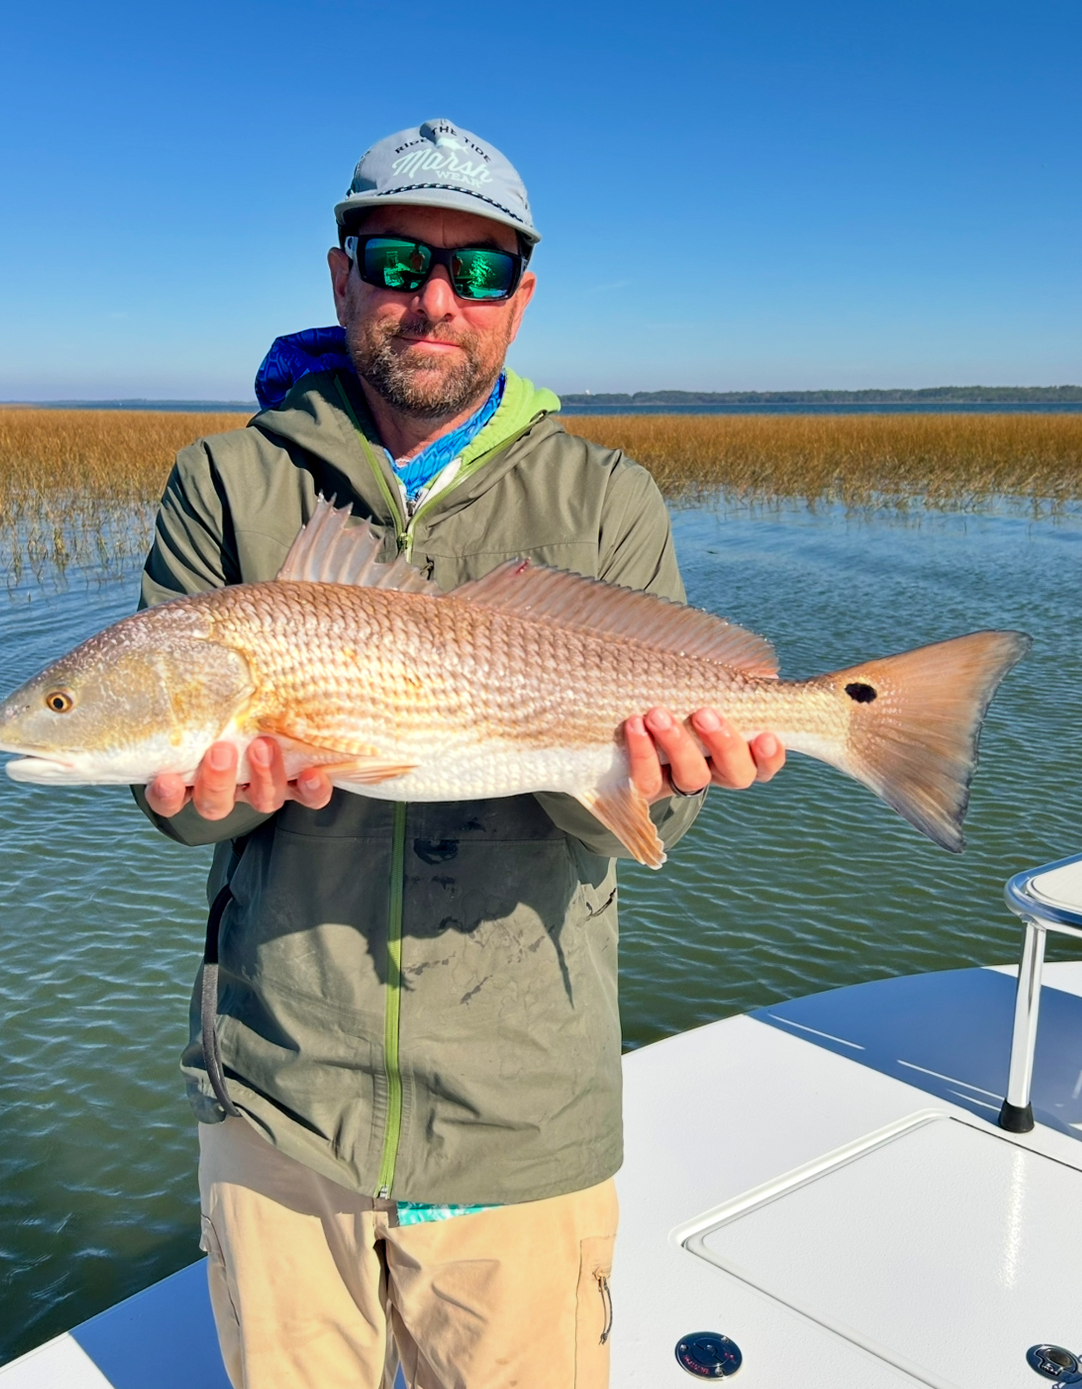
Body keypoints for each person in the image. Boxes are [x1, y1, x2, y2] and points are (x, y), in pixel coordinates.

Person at [135, 118, 784, 1389]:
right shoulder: (225, 483)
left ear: (521, 300)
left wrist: (663, 779)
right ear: (340, 276)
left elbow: (648, 819)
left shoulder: (605, 501)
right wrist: (195, 803)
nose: (436, 300)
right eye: (397, 259)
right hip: (282, 1106)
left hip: (520, 1119)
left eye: (480, 270)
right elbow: (182, 797)